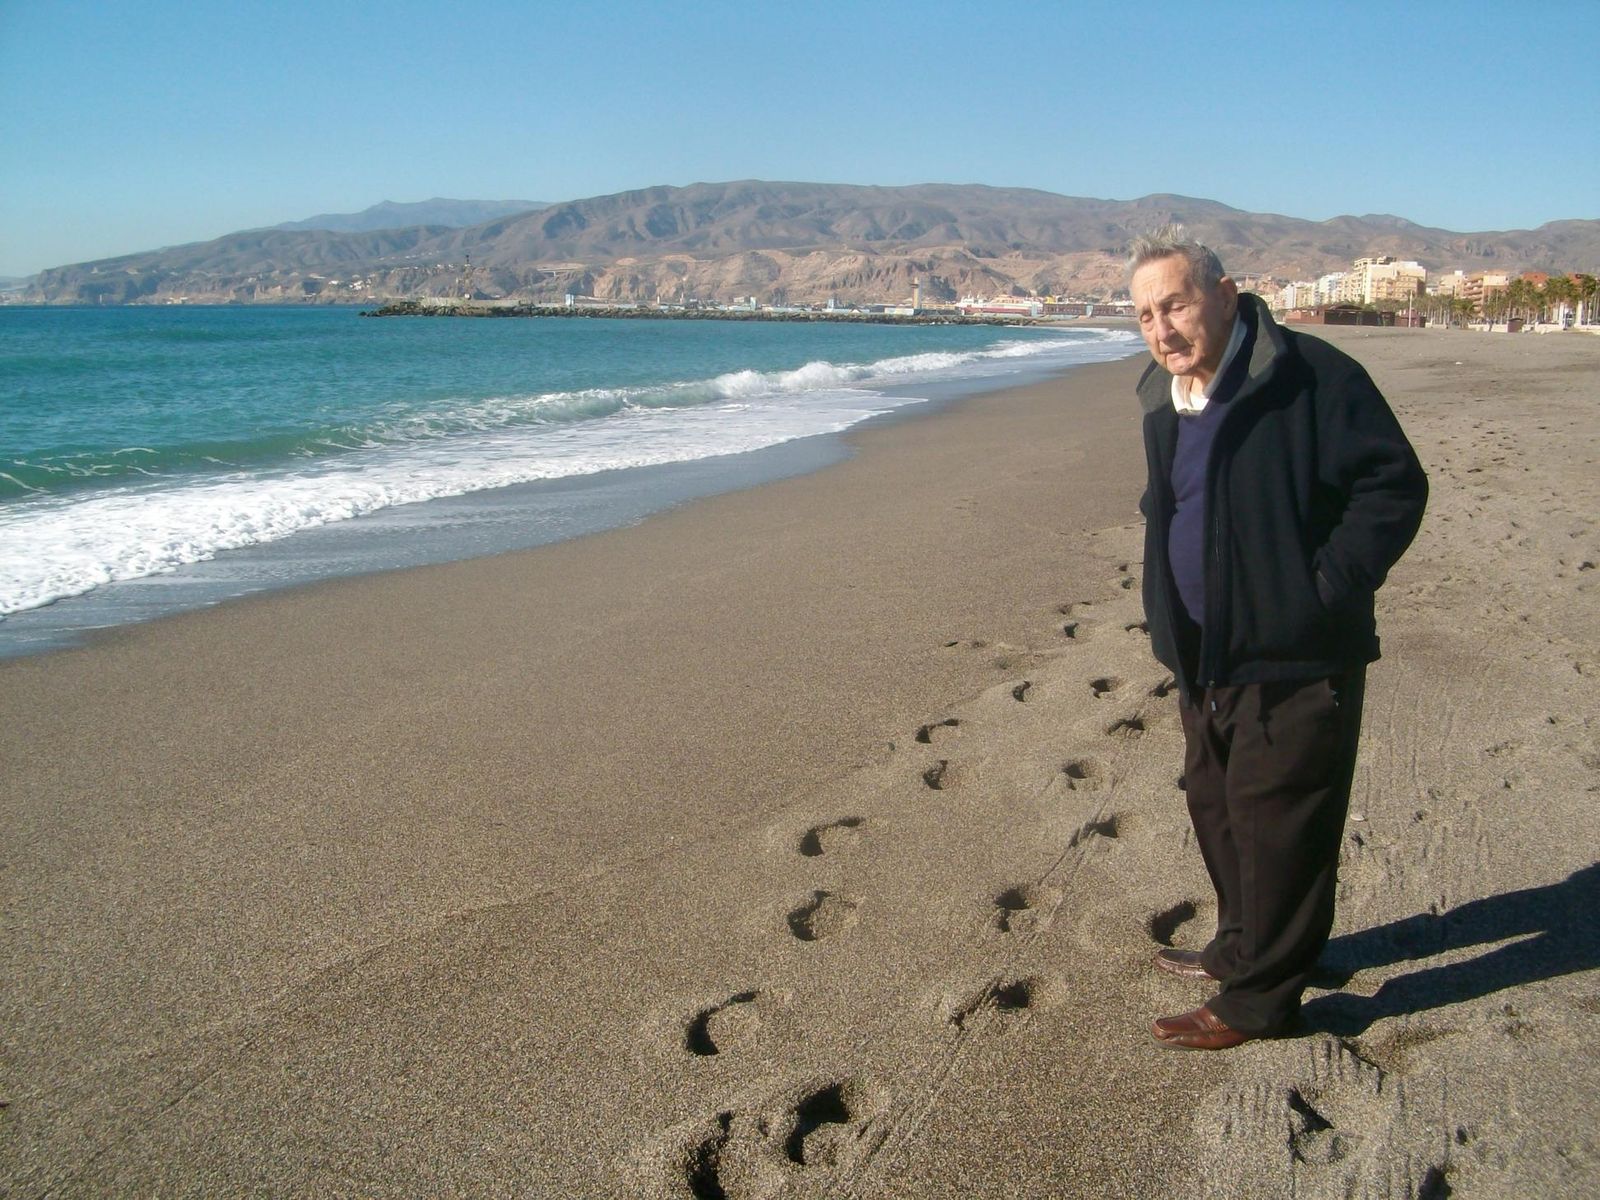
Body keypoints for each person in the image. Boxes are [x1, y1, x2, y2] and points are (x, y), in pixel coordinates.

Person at [1127, 225, 1427, 1050]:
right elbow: (1177, 500)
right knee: (1216, 805)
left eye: (1177, 304)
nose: (1162, 329)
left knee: (1279, 821)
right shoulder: (1164, 395)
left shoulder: (1311, 379)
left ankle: (1262, 1000)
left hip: (1296, 652)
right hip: (1202, 655)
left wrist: (1320, 593)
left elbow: (1394, 488)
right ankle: (1242, 946)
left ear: (1225, 295)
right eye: (1146, 314)